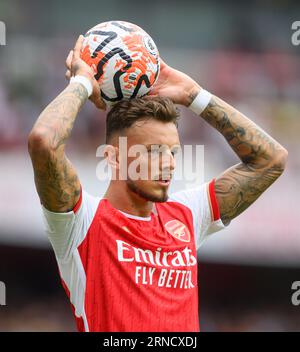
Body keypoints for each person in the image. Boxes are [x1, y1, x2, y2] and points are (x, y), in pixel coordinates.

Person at [28, 35, 288, 332]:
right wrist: (82, 83)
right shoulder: (81, 222)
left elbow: (271, 160)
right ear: (113, 158)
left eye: (173, 152)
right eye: (152, 152)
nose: (168, 163)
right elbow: (43, 141)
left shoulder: (187, 215)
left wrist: (195, 96)